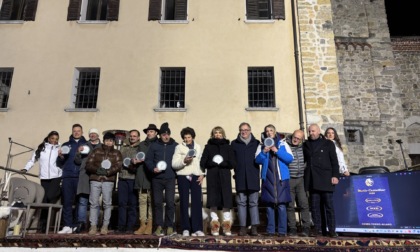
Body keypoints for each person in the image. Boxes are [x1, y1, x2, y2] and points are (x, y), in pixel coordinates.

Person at [255, 124, 293, 237]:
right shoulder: (261, 145)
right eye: (267, 131)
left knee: (281, 206)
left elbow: (290, 158)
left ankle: (282, 231)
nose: (269, 132)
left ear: (275, 132)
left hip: (281, 180)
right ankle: (270, 230)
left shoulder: (282, 143)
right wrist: (264, 152)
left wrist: (277, 151)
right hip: (268, 179)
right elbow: (257, 160)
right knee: (269, 206)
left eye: (271, 130)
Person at [303, 124, 340, 238]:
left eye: (313, 131)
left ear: (319, 131)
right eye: (309, 131)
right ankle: (318, 229)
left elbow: (334, 161)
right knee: (314, 207)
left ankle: (332, 230)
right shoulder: (305, 144)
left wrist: (335, 175)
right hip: (312, 180)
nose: (311, 133)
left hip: (326, 178)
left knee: (329, 207)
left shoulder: (328, 143)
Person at [22, 131, 62, 232]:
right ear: (48, 138)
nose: (54, 141)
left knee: (50, 196)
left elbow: (63, 161)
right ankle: (43, 225)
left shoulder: (59, 149)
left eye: (56, 139)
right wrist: (25, 169)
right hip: (44, 177)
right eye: (52, 138)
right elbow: (32, 160)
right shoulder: (41, 149)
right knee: (44, 201)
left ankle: (60, 190)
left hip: (56, 176)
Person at [200, 126, 236, 236]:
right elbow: (203, 162)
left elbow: (233, 163)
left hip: (224, 176)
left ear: (223, 134)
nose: (218, 134)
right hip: (212, 177)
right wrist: (212, 163)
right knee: (213, 201)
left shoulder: (228, 147)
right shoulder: (208, 147)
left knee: (226, 201)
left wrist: (224, 163)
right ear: (213, 134)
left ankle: (226, 227)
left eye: (220, 133)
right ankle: (214, 226)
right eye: (216, 133)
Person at [85, 132, 122, 235]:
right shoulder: (96, 151)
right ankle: (93, 226)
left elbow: (118, 165)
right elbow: (88, 164)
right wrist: (97, 170)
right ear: (104, 140)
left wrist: (108, 172)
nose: (109, 142)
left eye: (111, 140)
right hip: (95, 179)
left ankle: (105, 226)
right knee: (94, 203)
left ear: (113, 142)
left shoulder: (117, 153)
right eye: (107, 140)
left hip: (108, 180)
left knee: (107, 203)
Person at [145, 122, 178, 236]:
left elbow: (179, 159)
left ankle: (169, 226)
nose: (166, 136)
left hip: (170, 178)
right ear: (160, 135)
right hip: (157, 178)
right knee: (157, 203)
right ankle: (159, 226)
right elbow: (148, 160)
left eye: (168, 134)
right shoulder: (154, 146)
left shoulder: (175, 145)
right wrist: (152, 168)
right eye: (163, 134)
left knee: (170, 202)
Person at [172, 127, 206, 237]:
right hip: (183, 176)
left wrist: (202, 174)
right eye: (185, 137)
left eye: (189, 137)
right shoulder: (179, 147)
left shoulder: (198, 147)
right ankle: (185, 228)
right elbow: (174, 164)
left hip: (196, 176)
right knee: (184, 202)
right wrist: (184, 161)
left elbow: (201, 162)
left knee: (197, 202)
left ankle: (197, 228)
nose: (187, 139)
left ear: (193, 137)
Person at [231, 122, 261, 236]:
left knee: (254, 202)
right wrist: (236, 171)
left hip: (253, 177)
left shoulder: (257, 143)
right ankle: (243, 227)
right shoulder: (234, 144)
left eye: (246, 130)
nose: (244, 132)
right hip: (240, 177)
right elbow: (232, 160)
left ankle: (254, 227)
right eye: (242, 130)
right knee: (241, 203)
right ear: (239, 131)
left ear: (250, 130)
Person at [57, 124, 87, 234]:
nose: (76, 133)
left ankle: (75, 225)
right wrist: (60, 156)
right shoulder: (66, 144)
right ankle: (67, 225)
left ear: (82, 132)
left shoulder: (86, 144)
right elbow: (60, 162)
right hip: (68, 176)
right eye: (74, 131)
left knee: (80, 202)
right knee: (67, 202)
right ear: (72, 131)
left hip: (80, 177)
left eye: (78, 131)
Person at [73, 128, 102, 233]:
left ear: (98, 135)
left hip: (97, 175)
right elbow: (77, 161)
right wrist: (78, 152)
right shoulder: (84, 146)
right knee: (82, 200)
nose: (93, 135)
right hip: (84, 175)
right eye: (91, 134)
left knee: (95, 201)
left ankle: (94, 224)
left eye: (95, 133)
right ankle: (81, 223)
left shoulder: (102, 147)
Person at [133, 124, 159, 235]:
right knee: (142, 200)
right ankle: (142, 224)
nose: (149, 133)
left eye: (152, 131)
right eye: (148, 132)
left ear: (156, 133)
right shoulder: (142, 144)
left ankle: (150, 224)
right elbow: (136, 157)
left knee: (151, 200)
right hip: (141, 175)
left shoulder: (158, 144)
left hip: (152, 176)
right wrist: (134, 160)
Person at [285, 129, 311, 237]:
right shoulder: (286, 146)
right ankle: (292, 228)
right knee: (290, 205)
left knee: (304, 204)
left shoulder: (304, 147)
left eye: (298, 139)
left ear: (301, 140)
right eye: (294, 137)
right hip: (289, 179)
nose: (296, 140)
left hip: (301, 179)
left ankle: (306, 227)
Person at [116, 129, 141, 234]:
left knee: (133, 204)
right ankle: (121, 226)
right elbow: (118, 160)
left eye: (134, 136)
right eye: (131, 136)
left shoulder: (140, 148)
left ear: (138, 137)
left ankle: (130, 226)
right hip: (122, 178)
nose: (132, 137)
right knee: (121, 203)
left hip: (133, 179)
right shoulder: (123, 148)